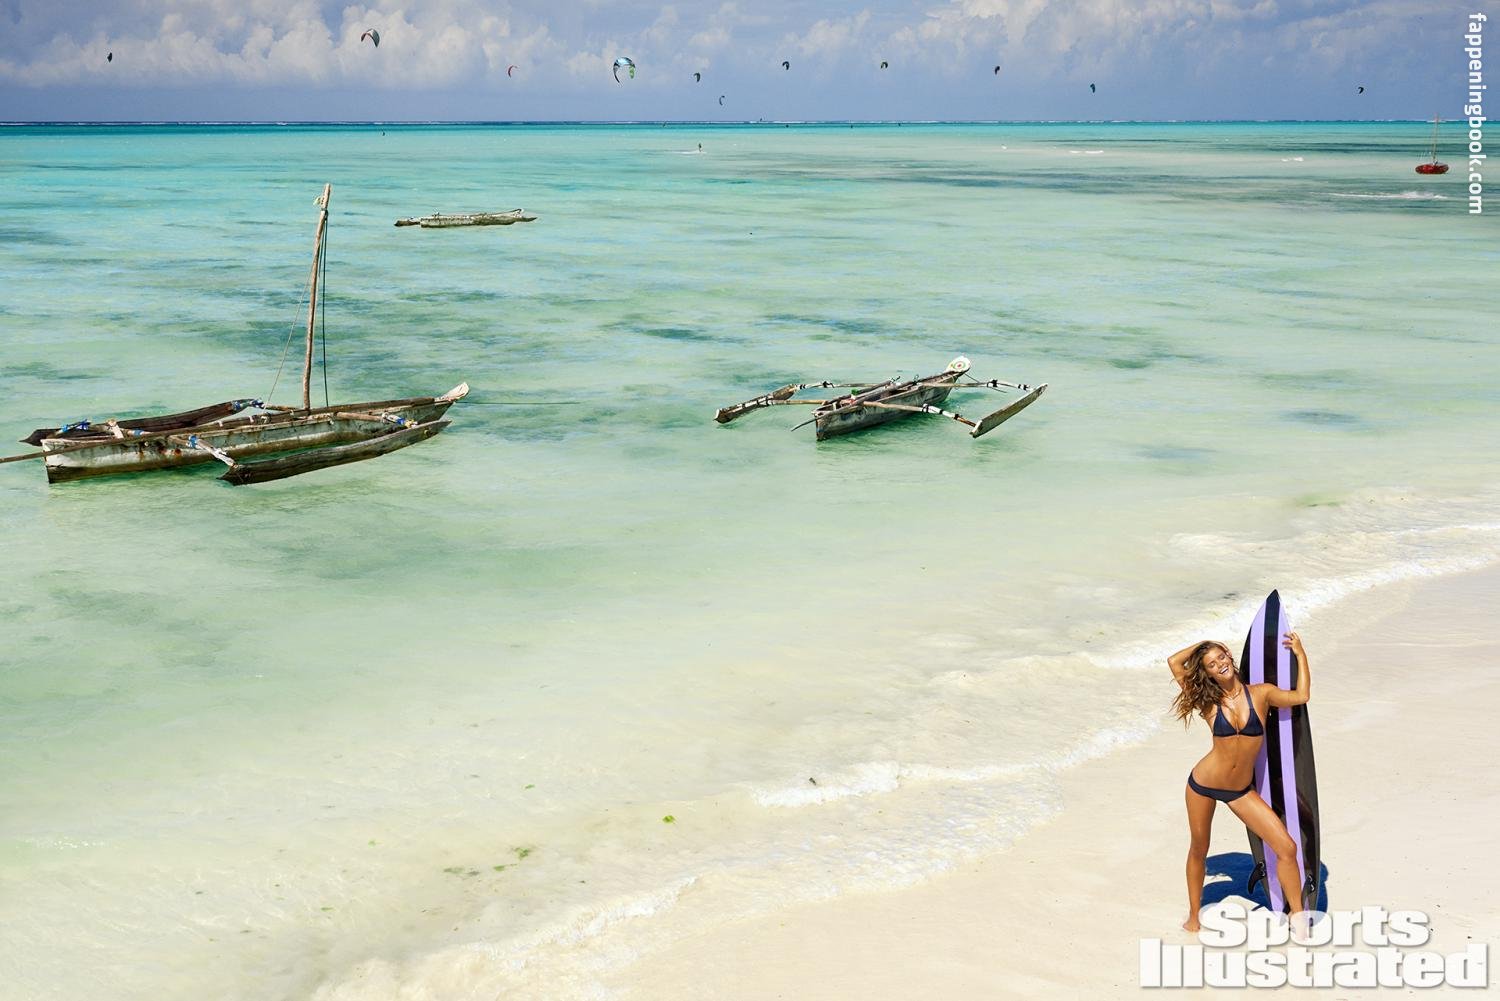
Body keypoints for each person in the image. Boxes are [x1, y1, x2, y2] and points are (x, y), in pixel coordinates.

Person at [1168, 632, 1310, 931]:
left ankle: (1297, 916)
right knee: (1199, 848)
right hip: (1202, 784)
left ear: (1230, 655)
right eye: (1211, 664)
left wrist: (1299, 653)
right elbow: (1174, 662)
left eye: (1221, 657)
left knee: (1286, 847)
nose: (1219, 664)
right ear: (1207, 672)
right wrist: (1206, 643)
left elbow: (1301, 696)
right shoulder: (1207, 702)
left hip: (1239, 791)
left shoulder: (1261, 694)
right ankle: (1194, 915)